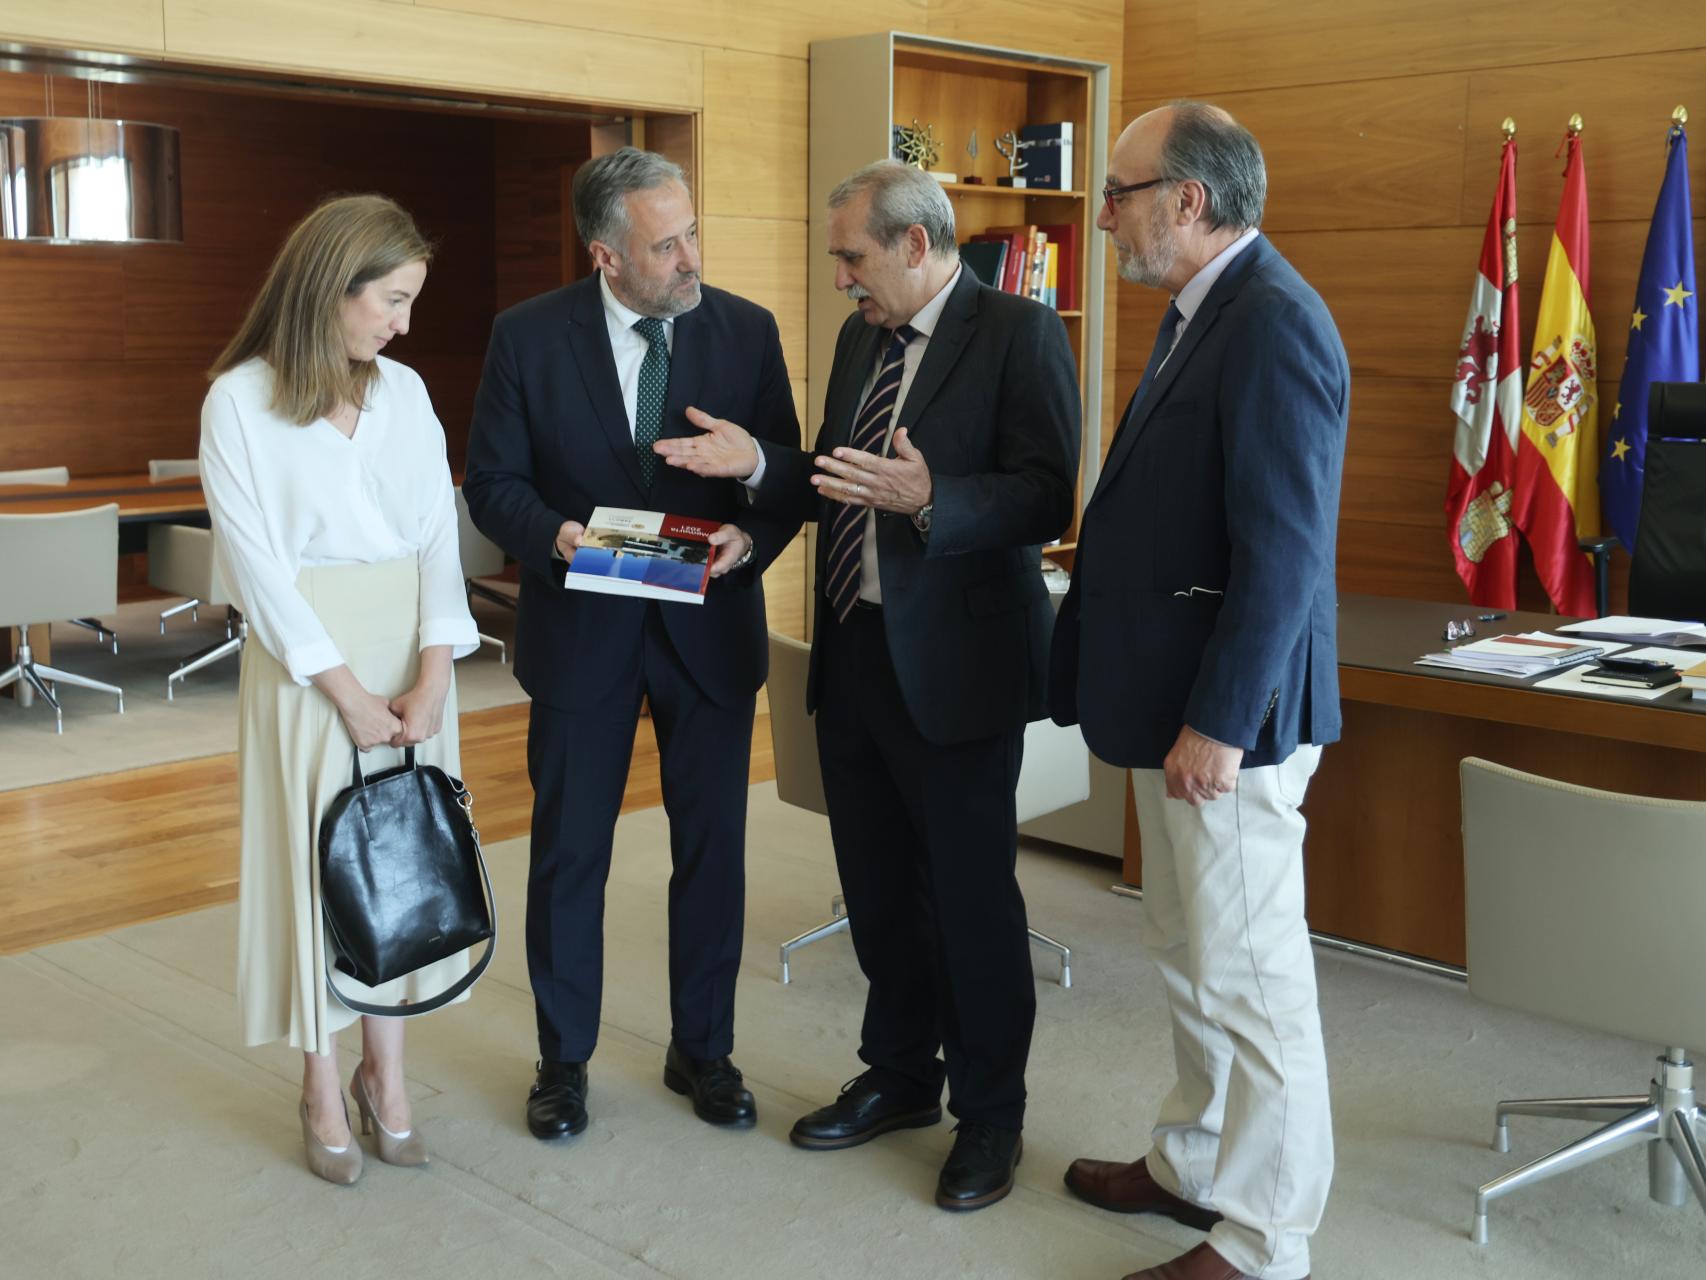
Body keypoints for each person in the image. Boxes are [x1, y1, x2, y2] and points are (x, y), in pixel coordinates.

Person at [655, 158, 1079, 1211]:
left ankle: (990, 1115)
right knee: (879, 892)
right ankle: (899, 1076)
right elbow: (837, 476)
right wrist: (761, 461)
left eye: (852, 255)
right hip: (853, 656)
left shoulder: (1019, 333)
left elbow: (1044, 494)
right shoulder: (860, 338)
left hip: (958, 670)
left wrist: (938, 497)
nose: (841, 276)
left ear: (915, 245)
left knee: (971, 903)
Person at [1049, 103, 1348, 1280]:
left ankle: (1267, 1236)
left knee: (1254, 978)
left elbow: (1282, 554)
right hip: (1174, 708)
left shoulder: (1272, 321)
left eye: (1117, 192)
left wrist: (1218, 722)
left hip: (1229, 724)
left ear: (1186, 200)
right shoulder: (1198, 310)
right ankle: (1195, 1164)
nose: (1105, 213)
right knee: (1187, 950)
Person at [462, 147, 801, 1142]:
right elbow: (491, 482)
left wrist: (752, 527)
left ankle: (703, 1046)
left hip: (709, 631)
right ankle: (561, 1060)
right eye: (665, 244)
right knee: (571, 855)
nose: (690, 256)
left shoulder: (744, 329)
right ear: (604, 254)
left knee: (713, 854)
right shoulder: (525, 338)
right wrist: (554, 536)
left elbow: (784, 475)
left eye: (693, 232)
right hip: (582, 629)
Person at [201, 194, 481, 1185]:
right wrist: (346, 691)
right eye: (392, 300)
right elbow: (257, 569)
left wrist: (437, 668)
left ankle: (386, 1072)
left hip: (408, 643)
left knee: (400, 864)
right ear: (333, 285)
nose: (402, 324)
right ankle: (323, 1077)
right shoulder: (238, 398)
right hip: (305, 660)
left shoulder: (403, 392)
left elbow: (436, 534)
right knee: (319, 864)